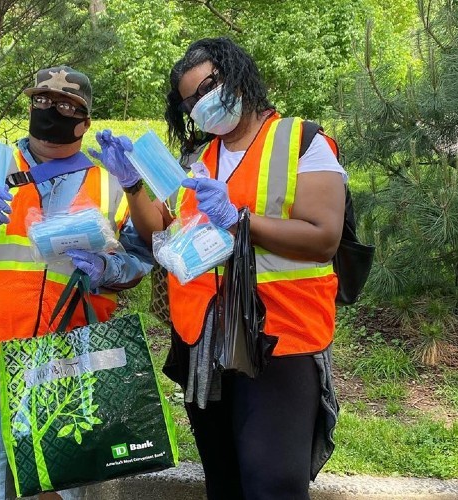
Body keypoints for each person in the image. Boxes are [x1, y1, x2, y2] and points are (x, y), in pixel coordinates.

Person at [89, 38, 346, 499]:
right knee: (223, 481)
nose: (202, 103)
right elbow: (162, 235)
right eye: (191, 99)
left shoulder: (300, 140)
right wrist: (132, 185)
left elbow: (324, 236)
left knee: (272, 483)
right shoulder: (198, 160)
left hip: (279, 338)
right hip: (204, 342)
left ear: (238, 75)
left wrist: (240, 220)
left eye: (210, 86)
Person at [0, 65, 153, 500]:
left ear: (85, 121)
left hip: (71, 359)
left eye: (68, 106)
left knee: (57, 485)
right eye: (43, 102)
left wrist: (109, 269)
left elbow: (141, 260)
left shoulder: (109, 182)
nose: (52, 112)